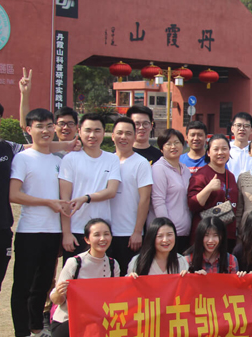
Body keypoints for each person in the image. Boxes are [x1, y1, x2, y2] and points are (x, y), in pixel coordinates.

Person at [8, 108, 70, 337]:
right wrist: (47, 202)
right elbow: (14, 194)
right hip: (30, 231)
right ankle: (22, 336)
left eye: (48, 126)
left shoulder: (59, 159)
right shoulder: (23, 158)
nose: (44, 131)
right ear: (29, 129)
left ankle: (35, 328)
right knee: (23, 284)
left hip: (53, 231)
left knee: (42, 284)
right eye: (39, 126)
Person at [58, 113, 121, 262]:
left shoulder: (112, 159)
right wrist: (66, 233)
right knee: (75, 278)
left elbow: (111, 191)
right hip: (77, 231)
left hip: (102, 233)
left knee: (101, 279)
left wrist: (86, 198)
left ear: (104, 132)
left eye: (97, 130)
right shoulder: (70, 159)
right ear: (79, 131)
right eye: (88, 130)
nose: (92, 135)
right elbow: (64, 199)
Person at [50, 219, 121, 337]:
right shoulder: (75, 263)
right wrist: (58, 294)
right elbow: (57, 299)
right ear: (87, 239)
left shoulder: (113, 264)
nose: (102, 239)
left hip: (98, 321)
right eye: (96, 235)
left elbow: (114, 299)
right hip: (68, 324)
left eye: (106, 234)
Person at [108, 116, 153, 273]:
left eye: (128, 133)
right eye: (119, 133)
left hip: (128, 233)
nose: (123, 137)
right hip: (105, 232)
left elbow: (145, 199)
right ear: (112, 136)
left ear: (134, 137)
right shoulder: (106, 160)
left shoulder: (141, 163)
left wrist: (137, 231)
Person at [188, 134, 239, 248]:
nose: (220, 152)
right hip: (207, 235)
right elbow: (192, 205)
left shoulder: (230, 176)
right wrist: (208, 188)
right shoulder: (201, 175)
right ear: (208, 152)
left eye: (224, 149)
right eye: (216, 149)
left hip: (227, 233)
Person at [150, 128, 192, 255]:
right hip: (167, 236)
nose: (173, 146)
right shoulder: (159, 169)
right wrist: (166, 231)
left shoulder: (185, 170)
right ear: (161, 149)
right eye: (168, 144)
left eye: (177, 142)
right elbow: (158, 201)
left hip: (184, 232)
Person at [226, 112, 252, 177]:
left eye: (246, 126)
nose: (242, 129)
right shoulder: (226, 149)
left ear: (251, 130)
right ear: (232, 129)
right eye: (238, 125)